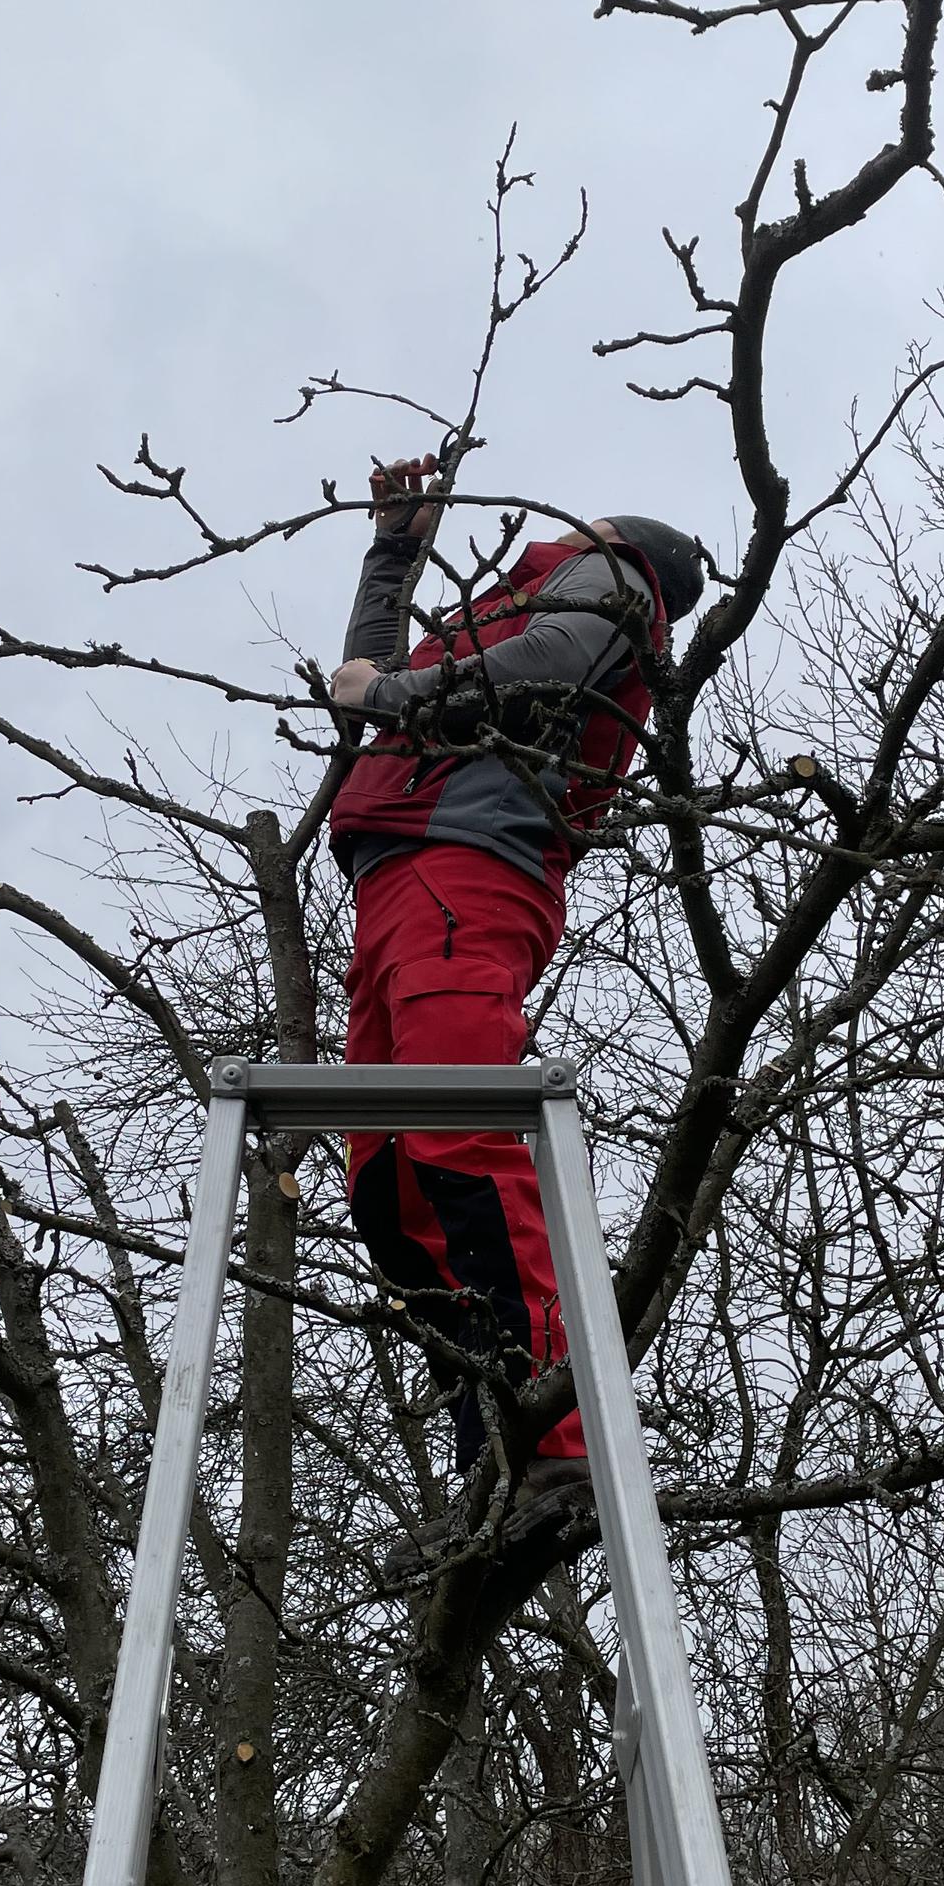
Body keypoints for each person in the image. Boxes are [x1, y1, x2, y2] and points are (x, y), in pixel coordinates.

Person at [327, 457, 706, 1519]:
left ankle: (558, 1453)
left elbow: (540, 662)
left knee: (463, 1145)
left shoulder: (610, 581)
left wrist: (389, 692)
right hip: (401, 884)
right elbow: (369, 689)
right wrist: (393, 554)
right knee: (391, 1182)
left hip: (466, 879)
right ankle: (496, 1455)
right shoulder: (504, 616)